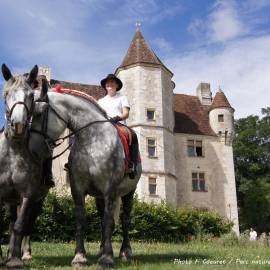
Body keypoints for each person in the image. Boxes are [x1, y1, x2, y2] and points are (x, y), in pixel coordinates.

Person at [98, 74, 138, 179]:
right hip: (103, 125)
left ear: (116, 85)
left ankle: (132, 164)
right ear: (105, 86)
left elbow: (126, 114)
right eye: (107, 82)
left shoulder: (122, 98)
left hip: (118, 124)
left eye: (112, 82)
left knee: (133, 135)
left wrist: (117, 118)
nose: (109, 84)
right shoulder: (100, 101)